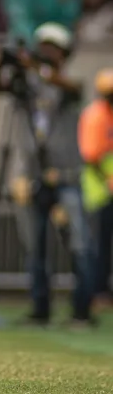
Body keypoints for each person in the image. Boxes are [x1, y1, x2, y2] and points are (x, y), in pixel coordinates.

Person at [0, 23, 95, 327]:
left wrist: (34, 67)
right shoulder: (31, 87)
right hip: (36, 176)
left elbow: (73, 87)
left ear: (64, 53)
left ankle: (82, 311)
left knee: (80, 244)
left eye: (52, 47)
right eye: (43, 45)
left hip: (67, 175)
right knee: (36, 246)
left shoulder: (67, 86)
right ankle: (40, 309)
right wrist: (2, 65)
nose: (45, 51)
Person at [78, 69, 113, 309]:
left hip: (107, 189)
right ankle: (96, 294)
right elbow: (91, 155)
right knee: (98, 246)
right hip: (99, 191)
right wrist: (108, 179)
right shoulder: (95, 116)